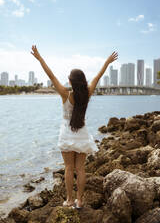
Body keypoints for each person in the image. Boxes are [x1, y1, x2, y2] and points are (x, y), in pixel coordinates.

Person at [31, 45, 118, 208]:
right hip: (82, 133)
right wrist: (107, 62)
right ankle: (80, 201)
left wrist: (39, 58)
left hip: (66, 133)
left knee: (69, 168)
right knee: (81, 169)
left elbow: (50, 74)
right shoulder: (87, 92)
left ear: (70, 81)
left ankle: (69, 200)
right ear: (83, 81)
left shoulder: (65, 94)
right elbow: (98, 77)